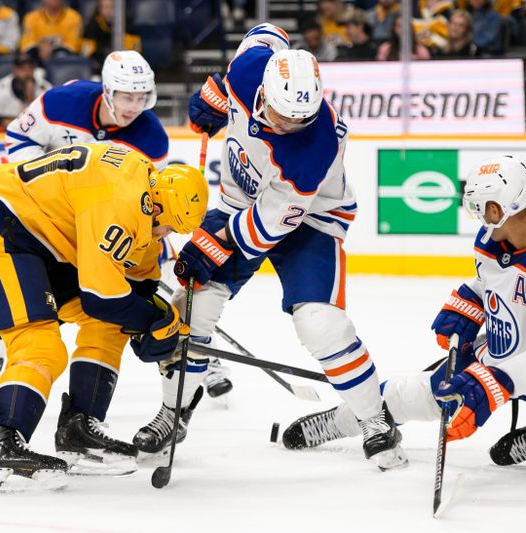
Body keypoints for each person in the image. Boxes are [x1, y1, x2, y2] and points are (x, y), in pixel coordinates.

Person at [134, 23, 408, 471]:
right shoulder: (249, 68)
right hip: (239, 201)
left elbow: (270, 224)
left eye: (301, 118)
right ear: (264, 90)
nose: (291, 125)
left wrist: (213, 243)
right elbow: (267, 31)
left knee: (320, 324)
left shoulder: (312, 146)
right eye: (283, 116)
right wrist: (216, 97)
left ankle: (375, 419)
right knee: (192, 305)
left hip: (311, 220)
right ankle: (174, 410)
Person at [279, 156, 526, 484]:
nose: (476, 217)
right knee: (417, 394)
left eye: (478, 208)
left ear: (496, 208)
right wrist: (470, 301)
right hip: (507, 352)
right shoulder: (493, 240)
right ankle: (342, 420)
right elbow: (495, 280)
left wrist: (494, 382)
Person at [0, 144, 208, 492]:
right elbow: (102, 295)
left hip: (40, 242)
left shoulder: (143, 196)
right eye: (167, 228)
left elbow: (134, 291)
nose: (165, 235)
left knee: (109, 323)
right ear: (156, 205)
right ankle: (4, 442)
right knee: (40, 344)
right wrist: (153, 323)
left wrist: (160, 320)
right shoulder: (122, 200)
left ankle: (77, 429)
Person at [0, 50, 169, 407]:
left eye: (141, 97)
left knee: (62, 296)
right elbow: (18, 137)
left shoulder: (151, 137)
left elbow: (143, 199)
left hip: (89, 230)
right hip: (39, 216)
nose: (134, 106)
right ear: (107, 90)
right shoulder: (62, 102)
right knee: (15, 287)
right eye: (126, 96)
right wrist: (48, 194)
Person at [0, 52, 51, 127]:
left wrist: (30, 100)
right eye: (22, 69)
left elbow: (49, 119)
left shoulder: (46, 89)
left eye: (30, 68)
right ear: (15, 70)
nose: (26, 73)